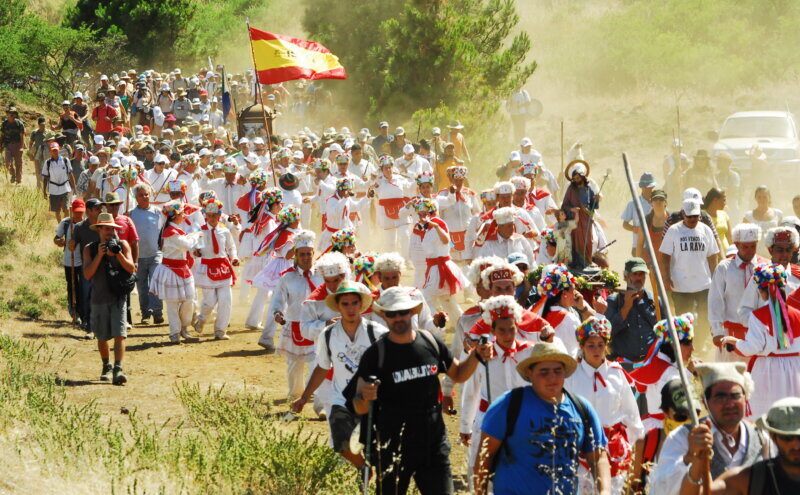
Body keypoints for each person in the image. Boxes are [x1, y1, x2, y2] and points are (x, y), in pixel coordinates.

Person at [347, 286, 491, 495]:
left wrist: (476, 356)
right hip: (392, 447)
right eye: (392, 313)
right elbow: (359, 407)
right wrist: (365, 396)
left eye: (403, 312)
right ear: (384, 316)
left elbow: (458, 374)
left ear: (413, 312)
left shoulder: (431, 342)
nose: (398, 318)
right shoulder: (375, 354)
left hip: (433, 444)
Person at [473, 340, 611, 495]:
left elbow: (598, 458)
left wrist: (604, 491)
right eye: (544, 372)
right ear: (530, 373)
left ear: (565, 372)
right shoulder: (508, 405)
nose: (552, 378)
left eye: (558, 371)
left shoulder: (581, 409)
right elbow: (485, 456)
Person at [290, 281, 388, 468]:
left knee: (375, 449)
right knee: (341, 441)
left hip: (372, 400)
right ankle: (362, 469)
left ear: (361, 305)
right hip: (340, 398)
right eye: (345, 304)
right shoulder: (328, 334)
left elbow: (391, 365)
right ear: (338, 307)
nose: (350, 308)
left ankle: (367, 473)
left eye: (354, 303)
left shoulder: (377, 333)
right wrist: (304, 397)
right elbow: (322, 367)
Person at [650, 362, 767, 495]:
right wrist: (690, 458)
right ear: (705, 402)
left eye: (735, 396)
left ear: (746, 398)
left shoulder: (761, 438)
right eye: (720, 397)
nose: (729, 404)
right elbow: (662, 488)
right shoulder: (682, 437)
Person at [565, 314, 644, 495]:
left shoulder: (616, 373)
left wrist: (637, 463)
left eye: (601, 345)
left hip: (614, 448)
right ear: (582, 346)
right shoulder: (571, 375)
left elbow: (632, 416)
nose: (596, 350)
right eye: (591, 345)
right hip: (581, 447)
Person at [458, 295, 531, 485]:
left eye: (512, 330)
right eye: (502, 330)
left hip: (520, 419)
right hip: (489, 418)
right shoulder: (482, 355)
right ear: (492, 330)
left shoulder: (527, 353)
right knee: (485, 470)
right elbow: (471, 391)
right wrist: (465, 425)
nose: (508, 336)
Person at [721, 263, 800, 419]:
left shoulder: (758, 316)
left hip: (769, 371)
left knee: (766, 415)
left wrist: (734, 342)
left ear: (761, 291)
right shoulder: (798, 314)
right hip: (796, 370)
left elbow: (752, 347)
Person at [678, 397, 800, 495]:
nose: (796, 445)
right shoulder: (750, 479)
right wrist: (698, 460)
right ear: (773, 437)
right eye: (787, 437)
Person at [82, 212, 136, 385]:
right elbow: (88, 274)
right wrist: (99, 255)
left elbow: (131, 269)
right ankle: (107, 365)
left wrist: (117, 255)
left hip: (118, 296)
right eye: (106, 229)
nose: (110, 232)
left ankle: (118, 369)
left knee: (120, 334)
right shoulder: (89, 248)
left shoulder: (122, 244)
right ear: (99, 229)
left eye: (112, 229)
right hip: (99, 297)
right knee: (102, 336)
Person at [660, 198, 719, 356]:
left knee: (706, 317)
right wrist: (666, 277)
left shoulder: (706, 230)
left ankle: (699, 347)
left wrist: (716, 278)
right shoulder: (674, 230)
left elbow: (713, 256)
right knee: (683, 319)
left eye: (696, 216)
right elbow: (664, 255)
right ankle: (685, 348)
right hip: (681, 284)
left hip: (704, 283)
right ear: (682, 214)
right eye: (689, 216)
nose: (693, 219)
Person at [629, 378, 697, 495]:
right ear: (665, 413)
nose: (688, 421)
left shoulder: (707, 443)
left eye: (695, 414)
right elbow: (632, 487)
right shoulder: (645, 443)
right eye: (681, 416)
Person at [630, 314, 698, 429]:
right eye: (687, 343)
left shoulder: (662, 366)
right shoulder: (665, 371)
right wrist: (690, 373)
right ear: (673, 344)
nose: (693, 348)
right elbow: (676, 399)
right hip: (665, 430)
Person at [708, 224, 765, 364]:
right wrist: (717, 331)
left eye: (753, 246)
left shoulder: (764, 267)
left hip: (757, 332)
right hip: (730, 331)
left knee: (755, 373)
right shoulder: (724, 268)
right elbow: (716, 301)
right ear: (737, 245)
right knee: (729, 375)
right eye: (746, 247)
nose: (750, 251)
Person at [149, 200, 203, 344]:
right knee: (172, 304)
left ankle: (183, 328)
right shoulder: (170, 232)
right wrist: (196, 235)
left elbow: (186, 245)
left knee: (189, 300)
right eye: (182, 213)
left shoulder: (176, 230)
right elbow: (186, 244)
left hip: (182, 269)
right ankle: (174, 333)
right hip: (170, 270)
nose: (184, 215)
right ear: (175, 216)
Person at [605, 257, 665, 366]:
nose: (639, 278)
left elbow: (666, 331)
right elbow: (608, 333)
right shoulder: (614, 301)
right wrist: (626, 307)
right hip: (624, 364)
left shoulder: (655, 300)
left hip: (651, 362)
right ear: (626, 277)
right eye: (635, 274)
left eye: (642, 274)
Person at [193, 200, 238, 340]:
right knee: (209, 302)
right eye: (209, 215)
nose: (212, 219)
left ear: (219, 216)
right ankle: (201, 319)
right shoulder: (200, 231)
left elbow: (231, 247)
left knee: (226, 300)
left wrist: (234, 257)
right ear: (206, 216)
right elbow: (194, 247)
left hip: (223, 267)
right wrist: (195, 252)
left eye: (215, 216)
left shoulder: (224, 230)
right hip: (207, 268)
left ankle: (220, 330)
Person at [738, 227, 800, 319]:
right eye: (780, 250)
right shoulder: (760, 274)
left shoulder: (797, 276)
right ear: (771, 250)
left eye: (788, 250)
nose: (785, 254)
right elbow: (744, 311)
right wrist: (765, 325)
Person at [538, 264, 596, 356]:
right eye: (573, 291)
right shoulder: (569, 318)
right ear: (565, 293)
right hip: (568, 366)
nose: (576, 294)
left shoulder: (539, 311)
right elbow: (584, 345)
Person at [128, 184, 164, 325]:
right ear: (136, 198)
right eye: (141, 195)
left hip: (156, 254)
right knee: (142, 287)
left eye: (146, 194)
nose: (144, 197)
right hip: (138, 256)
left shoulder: (158, 212)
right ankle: (145, 314)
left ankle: (157, 312)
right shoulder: (130, 214)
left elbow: (165, 230)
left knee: (155, 284)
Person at [561, 159, 600, 269]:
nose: (576, 180)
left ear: (583, 177)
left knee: (589, 240)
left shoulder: (588, 189)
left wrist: (596, 199)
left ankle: (587, 261)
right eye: (574, 179)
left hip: (587, 219)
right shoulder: (571, 189)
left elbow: (594, 206)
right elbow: (564, 205)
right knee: (577, 241)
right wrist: (573, 209)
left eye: (578, 178)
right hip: (576, 220)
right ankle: (577, 262)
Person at [55, 198, 87, 327]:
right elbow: (57, 238)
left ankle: (83, 313)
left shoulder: (87, 224)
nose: (79, 215)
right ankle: (74, 313)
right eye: (77, 212)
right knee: (72, 287)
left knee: (83, 288)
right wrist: (59, 242)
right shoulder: (66, 223)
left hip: (84, 262)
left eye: (81, 212)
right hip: (69, 261)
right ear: (72, 211)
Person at [622, 172, 657, 256]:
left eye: (650, 187)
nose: (648, 189)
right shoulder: (633, 203)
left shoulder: (658, 202)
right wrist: (635, 229)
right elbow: (625, 224)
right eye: (646, 187)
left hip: (655, 246)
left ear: (653, 187)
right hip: (638, 246)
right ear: (641, 187)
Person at [42, 142, 76, 222]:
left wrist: (74, 187)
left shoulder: (65, 160)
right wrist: (44, 191)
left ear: (59, 150)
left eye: (56, 150)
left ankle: (66, 224)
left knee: (66, 208)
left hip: (65, 188)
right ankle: (60, 225)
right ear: (50, 151)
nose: (55, 152)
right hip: (54, 189)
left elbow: (70, 174)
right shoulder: (48, 163)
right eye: (53, 151)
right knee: (57, 211)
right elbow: (45, 178)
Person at [743, 185, 782, 256]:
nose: (762, 199)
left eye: (765, 197)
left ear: (769, 197)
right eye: (759, 197)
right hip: (755, 254)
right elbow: (743, 237)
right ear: (755, 198)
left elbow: (781, 235)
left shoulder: (778, 214)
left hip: (774, 253)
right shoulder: (748, 216)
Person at [1, 107, 26, 184]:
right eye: (10, 113)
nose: (11, 114)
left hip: (17, 145)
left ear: (15, 114)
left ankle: (18, 179)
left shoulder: (19, 124)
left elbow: (22, 136)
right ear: (7, 114)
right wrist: (0, 146)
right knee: (8, 162)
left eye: (13, 113)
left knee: (18, 163)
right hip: (8, 145)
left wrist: (22, 147)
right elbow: (2, 135)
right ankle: (13, 175)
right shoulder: (4, 124)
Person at [705, 187, 733, 255]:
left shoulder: (724, 214)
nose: (725, 203)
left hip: (727, 254)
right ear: (715, 200)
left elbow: (729, 237)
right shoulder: (703, 216)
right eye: (723, 200)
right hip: (711, 256)